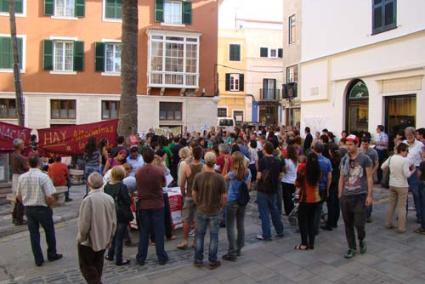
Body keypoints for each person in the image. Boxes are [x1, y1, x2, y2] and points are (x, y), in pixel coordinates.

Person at [16, 155, 62, 267]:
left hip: (29, 208)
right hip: (42, 207)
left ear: (28, 164)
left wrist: (25, 203)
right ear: (39, 164)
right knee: (49, 231)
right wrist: (49, 205)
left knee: (34, 234)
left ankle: (38, 259)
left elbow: (18, 195)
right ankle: (52, 254)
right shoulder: (43, 177)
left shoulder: (22, 177)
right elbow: (50, 196)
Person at [77, 172, 116, 284]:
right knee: (98, 264)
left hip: (89, 241)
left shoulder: (88, 200)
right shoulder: (109, 198)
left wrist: (81, 238)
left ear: (89, 184)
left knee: (87, 267)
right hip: (104, 237)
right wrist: (110, 236)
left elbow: (84, 223)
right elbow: (114, 221)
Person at [339, 135, 373, 259]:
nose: (348, 147)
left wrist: (370, 195)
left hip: (360, 195)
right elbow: (342, 177)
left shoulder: (365, 159)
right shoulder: (344, 159)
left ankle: (361, 238)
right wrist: (340, 194)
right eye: (347, 144)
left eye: (351, 144)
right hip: (346, 196)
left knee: (359, 223)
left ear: (357, 144)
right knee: (348, 224)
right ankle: (351, 247)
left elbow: (369, 177)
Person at [192, 152, 226, 269]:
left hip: (201, 209)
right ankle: (212, 261)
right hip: (214, 210)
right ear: (215, 162)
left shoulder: (198, 176)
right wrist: (221, 206)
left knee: (200, 235)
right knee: (214, 236)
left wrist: (198, 203)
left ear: (204, 161)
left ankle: (198, 260)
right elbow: (224, 197)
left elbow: (194, 194)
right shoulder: (219, 177)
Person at [135, 147, 169, 266]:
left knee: (144, 232)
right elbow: (164, 183)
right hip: (157, 203)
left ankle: (141, 257)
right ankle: (161, 257)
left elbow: (137, 184)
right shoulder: (159, 171)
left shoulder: (138, 171)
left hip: (144, 204)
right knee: (159, 232)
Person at [222, 151, 251, 261]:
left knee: (230, 226)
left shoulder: (233, 173)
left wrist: (225, 164)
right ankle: (239, 248)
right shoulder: (247, 171)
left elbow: (222, 178)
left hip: (232, 200)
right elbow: (248, 185)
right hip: (242, 201)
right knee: (240, 224)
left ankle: (232, 252)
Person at [381, 143, 414, 233]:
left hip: (392, 184)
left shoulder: (391, 158)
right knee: (402, 207)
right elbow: (407, 174)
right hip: (402, 185)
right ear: (402, 150)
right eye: (407, 151)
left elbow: (382, 166)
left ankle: (388, 223)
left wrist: (392, 172)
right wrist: (413, 170)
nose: (407, 153)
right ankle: (401, 227)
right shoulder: (405, 161)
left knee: (391, 204)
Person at [256, 142, 285, 241]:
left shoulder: (262, 160)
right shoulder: (278, 160)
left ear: (265, 150)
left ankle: (266, 234)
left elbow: (259, 176)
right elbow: (281, 175)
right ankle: (280, 230)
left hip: (263, 189)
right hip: (273, 188)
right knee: (274, 210)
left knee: (264, 212)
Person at [104, 166, 132, 265]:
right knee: (119, 237)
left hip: (110, 214)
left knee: (114, 236)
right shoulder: (122, 186)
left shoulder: (107, 186)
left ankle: (110, 255)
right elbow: (127, 201)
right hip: (121, 214)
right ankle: (119, 259)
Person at [177, 146, 204, 249]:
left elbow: (182, 183)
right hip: (200, 196)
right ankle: (196, 241)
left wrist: (182, 193)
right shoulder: (204, 167)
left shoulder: (187, 166)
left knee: (186, 219)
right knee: (197, 219)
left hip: (189, 195)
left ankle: (184, 240)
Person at [294, 153, 321, 250]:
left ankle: (304, 243)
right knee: (311, 221)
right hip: (315, 199)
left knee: (302, 222)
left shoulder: (303, 169)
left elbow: (297, 183)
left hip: (305, 199)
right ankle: (311, 243)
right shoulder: (318, 170)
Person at [404, 127, 424, 224]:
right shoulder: (403, 143)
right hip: (404, 171)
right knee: (404, 194)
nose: (409, 137)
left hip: (415, 171)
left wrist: (420, 169)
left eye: (410, 135)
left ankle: (420, 215)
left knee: (417, 194)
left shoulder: (420, 145)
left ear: (414, 134)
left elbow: (423, 158)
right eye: (407, 135)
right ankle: (403, 214)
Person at [312, 141, 332, 234]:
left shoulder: (311, 160)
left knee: (310, 208)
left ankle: (310, 227)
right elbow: (329, 177)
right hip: (322, 187)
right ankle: (315, 228)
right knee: (318, 209)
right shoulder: (327, 161)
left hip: (312, 188)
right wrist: (327, 189)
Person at [322, 143, 341, 231]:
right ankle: (334, 222)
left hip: (332, 182)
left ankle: (329, 223)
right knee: (336, 204)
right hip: (338, 181)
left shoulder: (330, 160)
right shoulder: (340, 158)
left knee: (331, 204)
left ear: (330, 151)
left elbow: (329, 175)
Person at [360, 135, 379, 223]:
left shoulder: (373, 152)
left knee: (369, 193)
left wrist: (372, 172)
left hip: (369, 176)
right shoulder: (359, 151)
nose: (364, 145)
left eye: (366, 144)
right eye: (363, 144)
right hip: (360, 176)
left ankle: (368, 214)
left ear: (369, 143)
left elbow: (377, 163)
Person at [10, 138, 29, 225]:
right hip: (21, 177)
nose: (24, 145)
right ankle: (19, 219)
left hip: (15, 177)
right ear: (19, 146)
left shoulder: (13, 155)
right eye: (23, 144)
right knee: (21, 199)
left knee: (17, 199)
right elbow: (27, 168)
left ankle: (15, 217)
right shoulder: (21, 157)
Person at [281, 145, 298, 216]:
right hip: (293, 181)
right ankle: (291, 210)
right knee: (291, 197)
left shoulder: (287, 161)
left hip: (286, 181)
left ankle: (288, 211)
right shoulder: (295, 160)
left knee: (286, 198)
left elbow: (284, 171)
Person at [415, 146, 425, 234]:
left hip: (423, 184)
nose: (421, 153)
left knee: (423, 205)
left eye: (422, 152)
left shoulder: (423, 163)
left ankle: (423, 227)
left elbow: (419, 175)